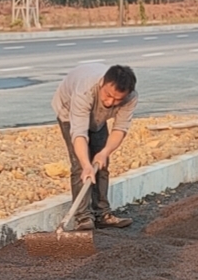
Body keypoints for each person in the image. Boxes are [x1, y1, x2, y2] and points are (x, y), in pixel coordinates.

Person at [52, 62, 139, 229]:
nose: (110, 102)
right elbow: (79, 133)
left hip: (98, 119)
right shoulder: (85, 89)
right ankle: (83, 218)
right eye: (108, 95)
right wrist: (86, 165)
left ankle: (102, 214)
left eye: (117, 99)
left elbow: (120, 128)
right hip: (69, 114)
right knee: (80, 166)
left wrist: (104, 152)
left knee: (101, 164)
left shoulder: (130, 97)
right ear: (102, 84)